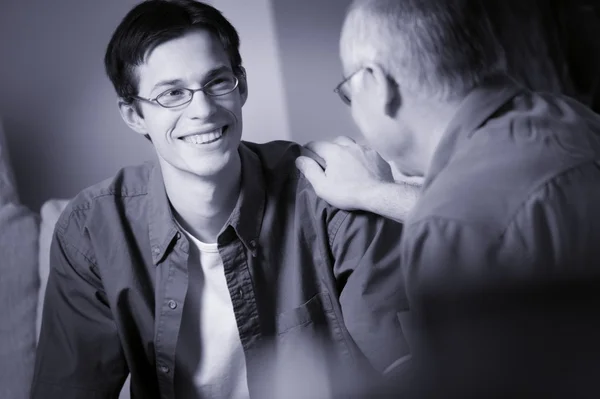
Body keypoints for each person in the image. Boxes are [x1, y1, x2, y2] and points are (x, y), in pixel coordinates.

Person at [31, 1, 410, 398]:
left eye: (216, 82)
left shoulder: (329, 192)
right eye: (172, 94)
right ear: (133, 115)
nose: (204, 110)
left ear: (241, 86)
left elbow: (404, 370)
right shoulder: (91, 232)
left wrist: (382, 194)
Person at [295, 0, 600, 302]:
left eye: (349, 93)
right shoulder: (578, 120)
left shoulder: (448, 225)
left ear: (378, 83)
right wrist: (375, 192)